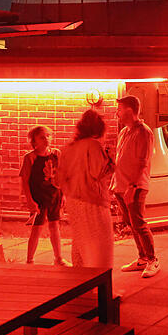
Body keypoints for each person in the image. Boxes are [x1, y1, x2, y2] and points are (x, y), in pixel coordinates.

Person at [57, 110, 115, 268]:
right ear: (99, 129)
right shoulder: (93, 145)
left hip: (73, 201)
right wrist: (110, 159)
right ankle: (100, 287)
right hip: (92, 201)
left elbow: (60, 177)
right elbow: (97, 172)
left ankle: (79, 281)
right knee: (100, 245)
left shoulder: (69, 147)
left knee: (81, 242)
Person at [114, 95, 160, 278]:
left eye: (120, 108)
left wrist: (132, 187)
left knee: (139, 223)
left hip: (135, 187)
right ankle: (142, 258)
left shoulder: (144, 132)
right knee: (131, 224)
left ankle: (152, 259)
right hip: (121, 186)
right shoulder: (125, 131)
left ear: (130, 110)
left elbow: (142, 162)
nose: (117, 112)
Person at [20, 126, 70, 266]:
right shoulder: (30, 157)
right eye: (42, 137)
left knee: (55, 225)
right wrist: (30, 200)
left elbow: (62, 175)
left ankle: (58, 258)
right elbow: (25, 180)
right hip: (38, 197)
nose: (46, 139)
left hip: (54, 194)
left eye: (48, 135)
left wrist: (64, 194)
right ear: (34, 140)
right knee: (37, 228)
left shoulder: (56, 154)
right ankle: (29, 260)